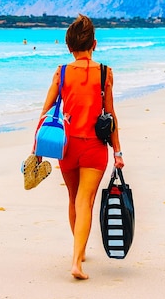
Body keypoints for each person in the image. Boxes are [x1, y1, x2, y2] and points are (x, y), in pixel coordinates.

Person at [38, 14, 124, 280]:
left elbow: (46, 113)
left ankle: (80, 250)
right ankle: (77, 260)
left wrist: (38, 150)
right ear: (94, 44)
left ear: (68, 47)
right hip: (95, 147)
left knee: (74, 198)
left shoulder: (61, 72)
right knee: (85, 200)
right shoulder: (104, 72)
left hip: (67, 147)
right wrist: (117, 152)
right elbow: (110, 115)